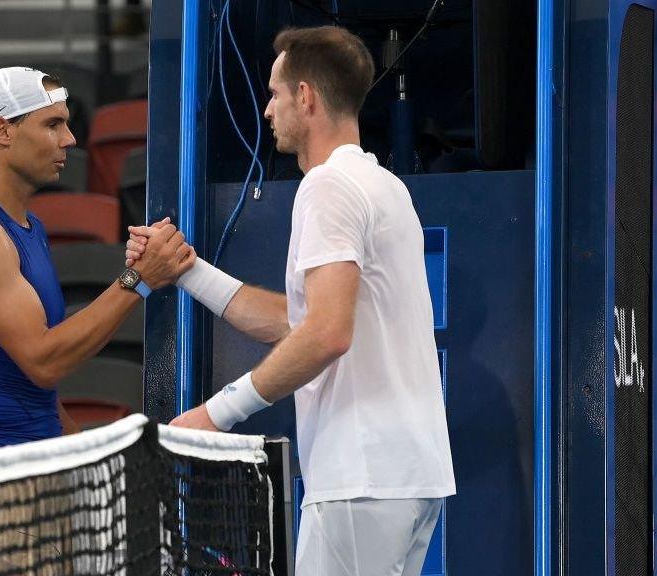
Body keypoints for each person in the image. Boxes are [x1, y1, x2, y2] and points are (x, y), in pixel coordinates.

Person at [126, 26, 455, 575]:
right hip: (406, 478)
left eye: (276, 93)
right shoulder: (384, 186)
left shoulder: (327, 188)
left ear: (306, 97)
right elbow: (297, 322)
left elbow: (325, 334)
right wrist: (187, 271)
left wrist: (215, 414)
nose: (267, 108)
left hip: (361, 478)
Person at [0, 66, 193, 574]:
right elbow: (44, 361)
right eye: (53, 124)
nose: (69, 139)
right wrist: (138, 280)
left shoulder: (27, 229)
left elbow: (33, 393)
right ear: (3, 131)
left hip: (33, 478)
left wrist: (100, 460)